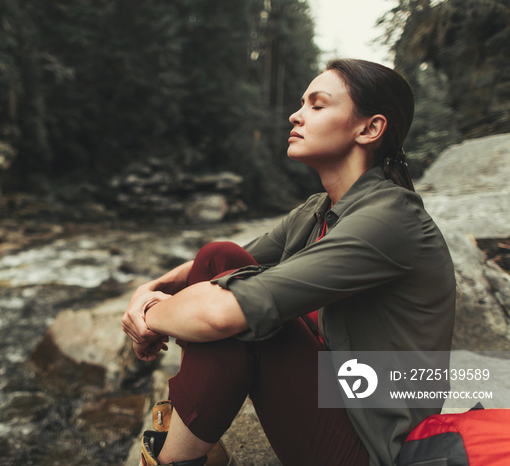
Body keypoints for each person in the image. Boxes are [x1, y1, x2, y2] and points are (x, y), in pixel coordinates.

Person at [122, 58, 456, 466]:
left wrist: (147, 318)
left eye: (317, 105)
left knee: (244, 320)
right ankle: (192, 450)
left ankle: (175, 460)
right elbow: (211, 266)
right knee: (219, 257)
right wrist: (149, 290)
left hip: (373, 447)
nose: (295, 115)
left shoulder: (391, 218)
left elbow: (221, 314)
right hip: (333, 393)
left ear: (370, 129)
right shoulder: (321, 209)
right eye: (302, 103)